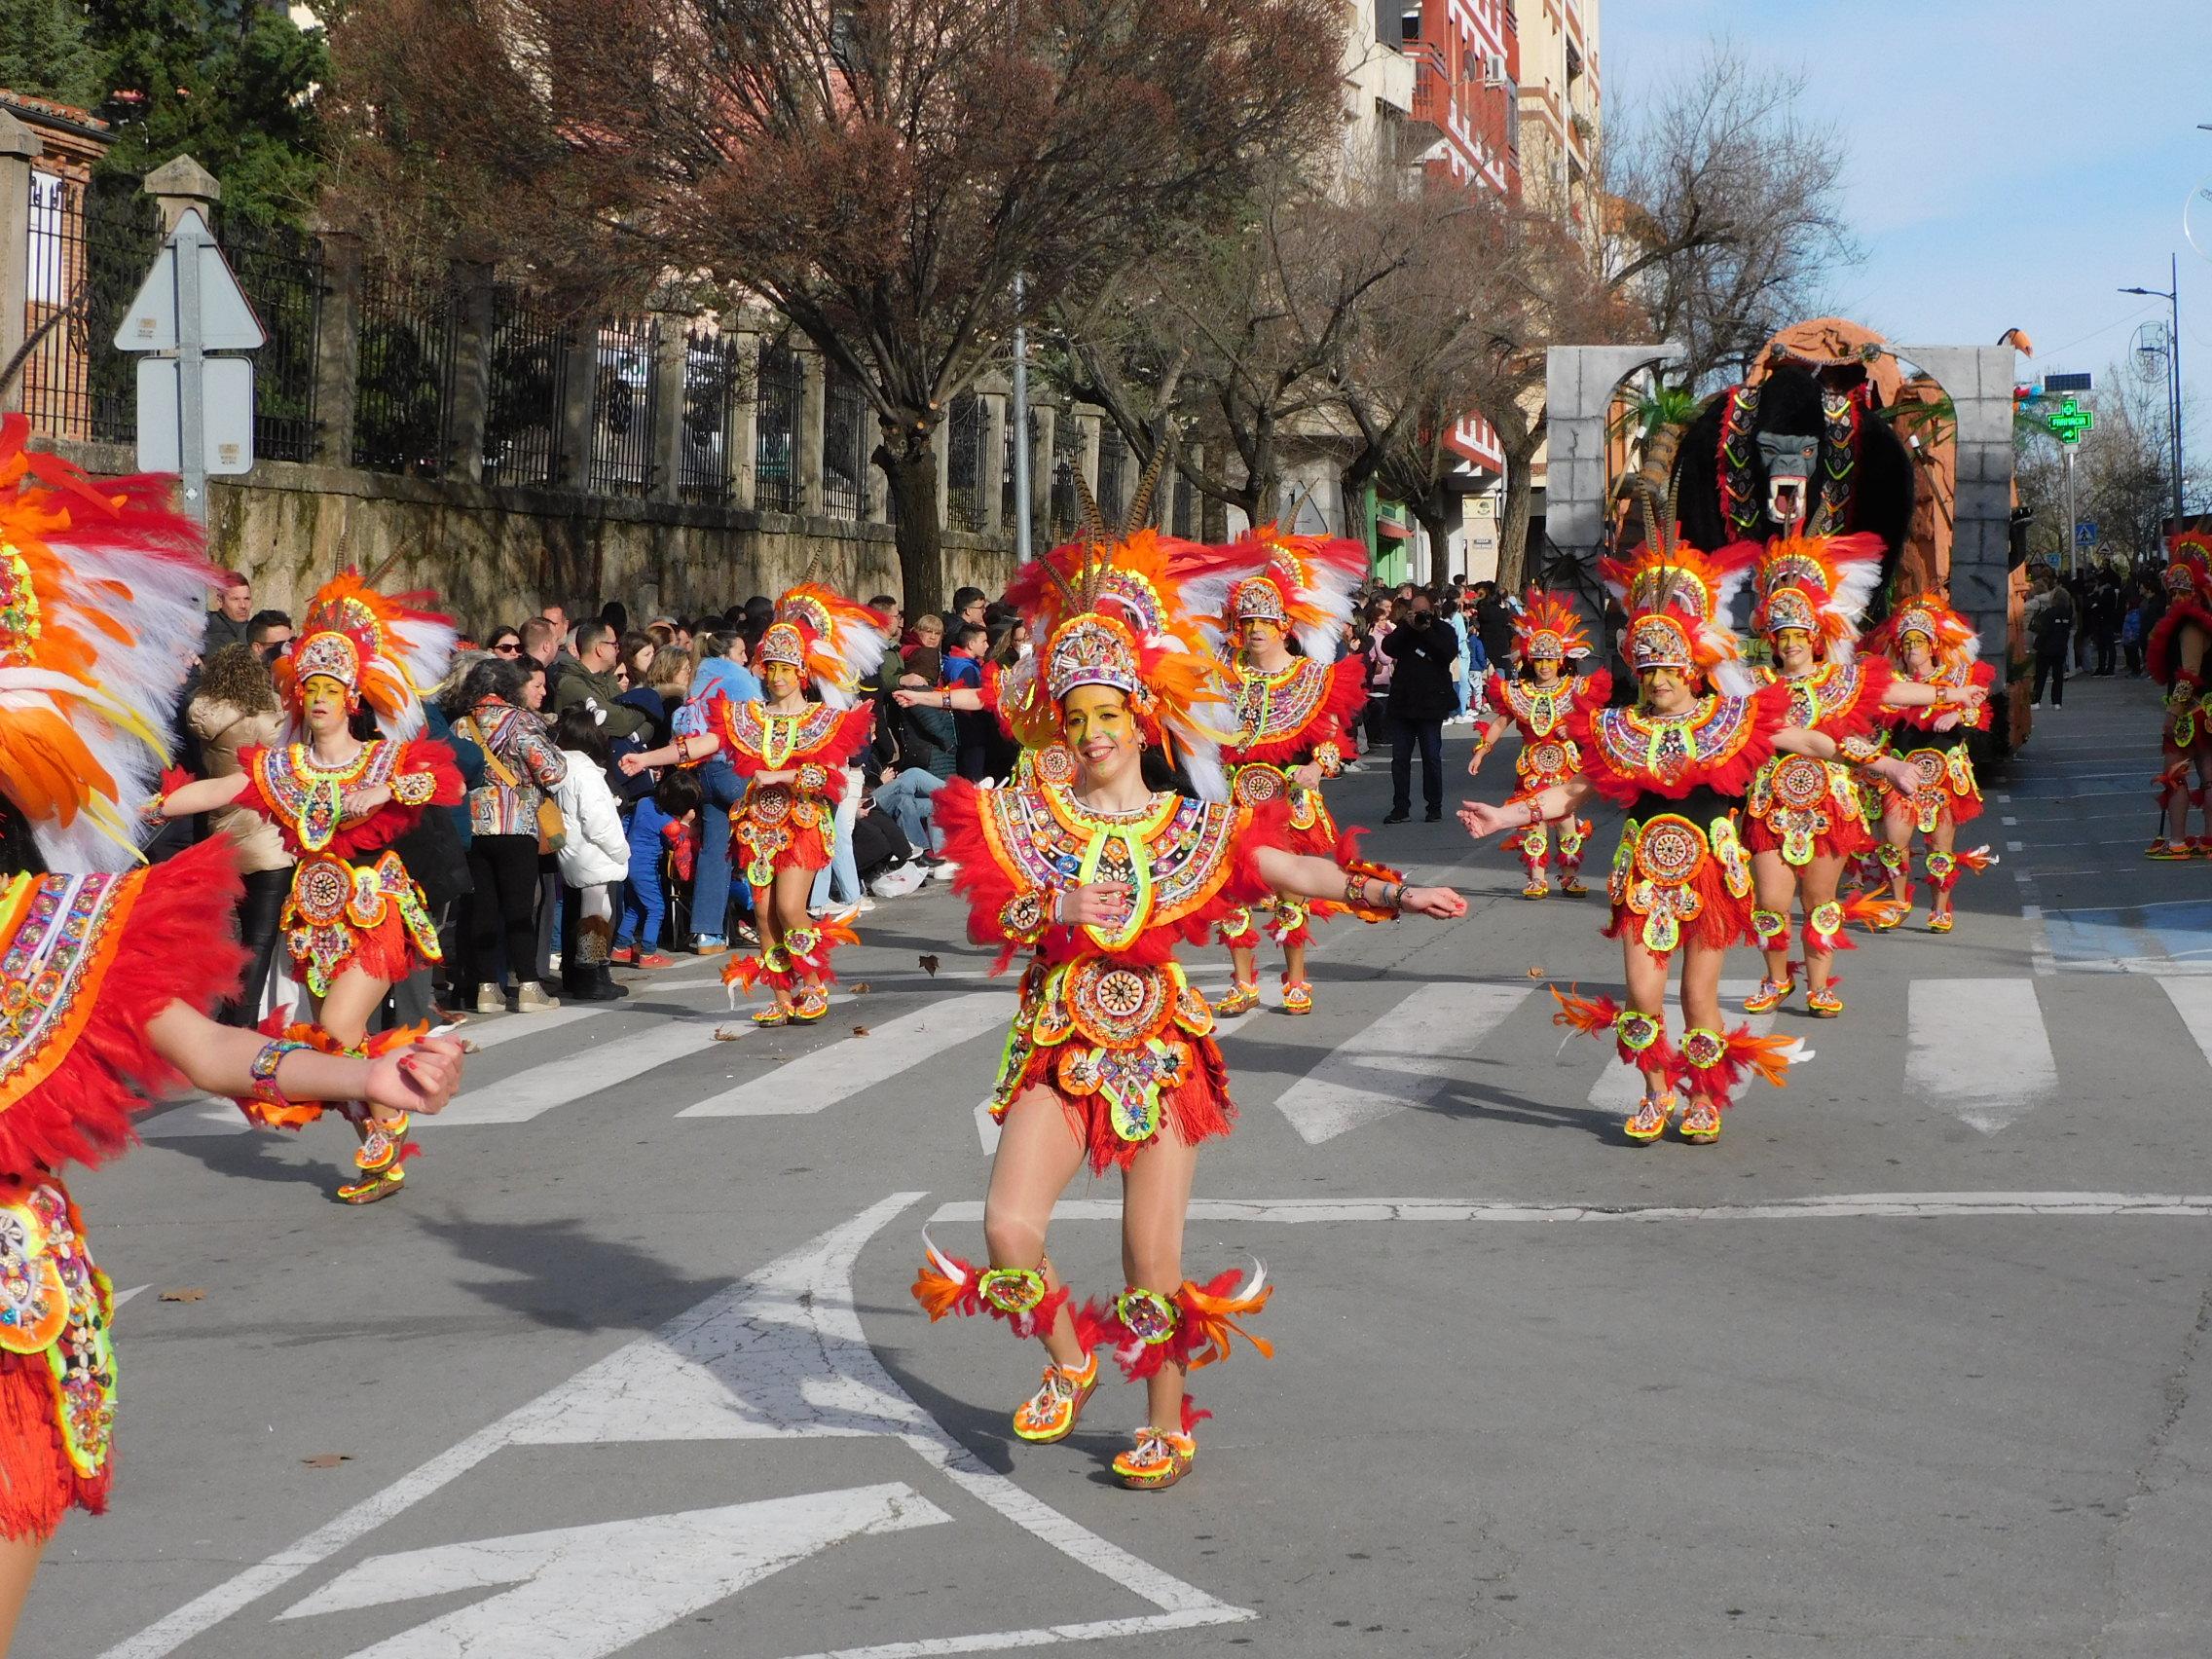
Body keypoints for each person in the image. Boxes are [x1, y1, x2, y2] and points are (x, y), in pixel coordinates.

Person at [910, 525, 1462, 1493]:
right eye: (1075, 717)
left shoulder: (1192, 827)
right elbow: (978, 921)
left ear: (1142, 717)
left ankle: (1165, 1423)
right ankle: (1073, 1362)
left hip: (1160, 1055)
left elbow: (1285, 864)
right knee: (1006, 1230)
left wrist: (1387, 894)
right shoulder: (1028, 819)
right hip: (1058, 1045)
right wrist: (1056, 905)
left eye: (1107, 715)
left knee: (1147, 1263)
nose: (1089, 734)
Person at [1460, 519, 1924, 1145]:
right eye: (1649, 669)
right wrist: (1504, 817)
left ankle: (1704, 1096)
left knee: (1698, 998)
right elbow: (1573, 790)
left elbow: (1811, 739)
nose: (1659, 680)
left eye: (1670, 668)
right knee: (1641, 1000)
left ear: (1694, 666)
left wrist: (1886, 763)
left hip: (1709, 869)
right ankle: (1656, 1094)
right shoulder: (1617, 729)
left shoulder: (1731, 718)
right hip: (1643, 874)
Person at [147, 570, 463, 1203]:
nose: (318, 698)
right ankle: (379, 1133)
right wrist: (157, 805)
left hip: (375, 911)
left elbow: (433, 781)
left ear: (350, 697)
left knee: (344, 1025)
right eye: (309, 687)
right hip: (313, 922)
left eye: (329, 688)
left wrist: (388, 790)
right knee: (329, 1040)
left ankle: (383, 1125)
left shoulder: (381, 759)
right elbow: (227, 790)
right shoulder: (284, 769)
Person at [621, 586, 891, 1025]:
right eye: (771, 668)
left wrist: (781, 776)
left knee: (788, 908)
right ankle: (783, 998)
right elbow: (704, 744)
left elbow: (829, 778)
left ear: (802, 671)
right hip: (756, 826)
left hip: (802, 823)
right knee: (764, 917)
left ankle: (813, 983)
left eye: (785, 669)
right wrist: (646, 759)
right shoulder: (748, 715)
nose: (776, 676)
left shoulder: (822, 721)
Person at [1738, 535, 1959, 1014]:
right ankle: (1777, 980)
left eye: (1800, 633)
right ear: (1771, 639)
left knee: (1820, 899)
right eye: (1783, 634)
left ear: (1816, 636)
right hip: (1769, 802)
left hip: (1829, 801)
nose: (1792, 643)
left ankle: (1819, 985)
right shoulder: (1753, 684)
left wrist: (1947, 696)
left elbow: (1894, 691)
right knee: (1771, 903)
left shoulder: (1842, 679)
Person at [1210, 531, 1369, 1017]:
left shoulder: (1311, 677)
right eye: (1247, 620)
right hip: (1235, 797)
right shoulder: (1222, 671)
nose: (1254, 629)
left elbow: (1332, 737)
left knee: (1290, 893)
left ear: (1284, 626)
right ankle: (1242, 983)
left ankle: (1295, 981)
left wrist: (1315, 767)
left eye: (1263, 620)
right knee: (1233, 892)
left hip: (1288, 799)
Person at [1860, 594, 2000, 930]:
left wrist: (1955, 715)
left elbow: (1978, 710)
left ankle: (1940, 908)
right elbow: (1873, 721)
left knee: (1940, 846)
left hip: (1943, 776)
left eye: (1919, 641)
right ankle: (1898, 901)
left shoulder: (1958, 677)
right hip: (1901, 773)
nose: (1912, 648)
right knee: (1894, 844)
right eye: (1906, 641)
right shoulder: (1891, 683)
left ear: (1933, 644)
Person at [1467, 590, 1609, 899]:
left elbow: (1594, 721)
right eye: (1540, 659)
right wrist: (1482, 749)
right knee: (1533, 822)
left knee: (1566, 823)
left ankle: (1570, 877)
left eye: (1550, 660)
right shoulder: (1518, 690)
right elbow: (1501, 721)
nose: (1545, 666)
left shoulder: (1577, 689)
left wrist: (1571, 728)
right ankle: (1536, 878)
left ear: (1561, 661)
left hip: (1566, 765)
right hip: (1531, 766)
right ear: (1531, 658)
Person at [450, 656, 570, 1011]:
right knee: (519, 908)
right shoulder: (522, 722)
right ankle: (530, 987)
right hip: (516, 824)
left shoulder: (460, 725)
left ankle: (487, 988)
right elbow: (553, 772)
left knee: (482, 907)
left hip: (472, 825)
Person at [184, 643, 293, 1024]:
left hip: (222, 831)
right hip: (269, 837)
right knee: (258, 941)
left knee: (228, 937)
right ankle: (241, 1023)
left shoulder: (201, 715)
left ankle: (223, 1014)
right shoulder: (271, 718)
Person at [684, 632, 762, 952]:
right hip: (734, 767)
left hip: (704, 770)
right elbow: (758, 723)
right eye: (742, 651)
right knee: (771, 838)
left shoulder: (699, 677)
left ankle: (707, 933)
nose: (746, 658)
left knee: (715, 850)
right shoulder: (737, 678)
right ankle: (778, 919)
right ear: (728, 653)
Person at [550, 703, 631, 1002]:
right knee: (596, 915)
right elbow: (598, 821)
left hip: (575, 853)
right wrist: (620, 850)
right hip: (593, 853)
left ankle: (587, 971)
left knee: (592, 912)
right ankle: (591, 972)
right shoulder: (586, 773)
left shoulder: (564, 768)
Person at [2146, 533, 2212, 859]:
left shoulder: (2190, 626)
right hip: (2208, 708)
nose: (2175, 599)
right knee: (2209, 777)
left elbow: (2188, 675)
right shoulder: (2203, 620)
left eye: (2181, 592)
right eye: (2172, 593)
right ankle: (2208, 840)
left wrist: (2172, 713)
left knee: (2177, 776)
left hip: (2191, 712)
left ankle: (2176, 842)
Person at [1382, 591, 1459, 823]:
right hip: (1403, 704)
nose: (1418, 617)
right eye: (1414, 612)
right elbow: (1388, 648)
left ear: (1432, 611)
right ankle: (1400, 807)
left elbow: (1447, 654)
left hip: (1431, 705)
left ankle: (1434, 806)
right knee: (1400, 759)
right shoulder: (1404, 631)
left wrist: (1426, 630)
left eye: (1423, 612)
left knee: (1431, 758)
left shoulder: (1443, 630)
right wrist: (1406, 627)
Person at [616, 767, 700, 966]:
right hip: (645, 867)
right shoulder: (669, 823)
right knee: (656, 908)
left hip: (629, 860)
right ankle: (648, 952)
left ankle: (620, 948)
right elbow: (678, 842)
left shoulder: (645, 803)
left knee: (636, 906)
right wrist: (686, 823)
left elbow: (628, 822)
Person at [553, 619, 651, 745]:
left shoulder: (608, 679)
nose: (618, 650)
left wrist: (635, 734)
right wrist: (646, 710)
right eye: (614, 645)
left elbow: (649, 723)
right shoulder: (571, 684)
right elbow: (619, 722)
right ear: (599, 649)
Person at [2030, 571, 2074, 710]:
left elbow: (2042, 629)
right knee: (2058, 676)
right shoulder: (2068, 613)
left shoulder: (2049, 613)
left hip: (2046, 648)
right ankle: (2057, 702)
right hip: (2060, 648)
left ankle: (2036, 701)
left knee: (2041, 675)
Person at [203, 568, 253, 654]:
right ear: (220, 601)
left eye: (247, 599)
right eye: (235, 599)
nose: (243, 605)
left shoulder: (254, 629)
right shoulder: (210, 630)